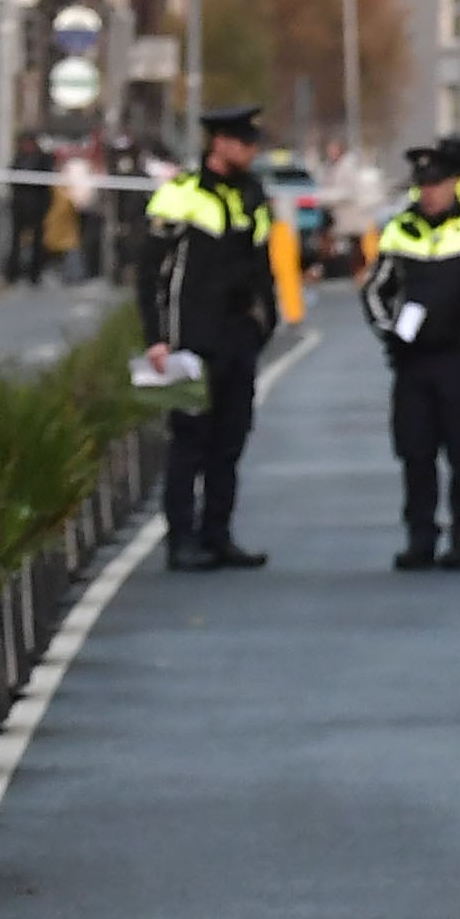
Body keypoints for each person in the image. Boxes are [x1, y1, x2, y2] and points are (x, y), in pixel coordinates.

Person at [360, 141, 460, 571]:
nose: (428, 193)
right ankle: (420, 538)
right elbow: (375, 290)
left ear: (453, 184)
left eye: (437, 184)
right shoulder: (399, 230)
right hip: (413, 362)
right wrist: (388, 333)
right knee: (415, 451)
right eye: (422, 185)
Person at [139, 104, 285, 573]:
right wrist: (157, 337)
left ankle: (217, 534)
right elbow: (150, 275)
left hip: (238, 337)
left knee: (231, 439)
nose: (250, 150)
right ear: (218, 143)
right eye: (243, 142)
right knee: (189, 440)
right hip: (189, 340)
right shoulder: (179, 196)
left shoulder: (252, 196)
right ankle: (181, 539)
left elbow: (262, 265)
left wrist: (267, 322)